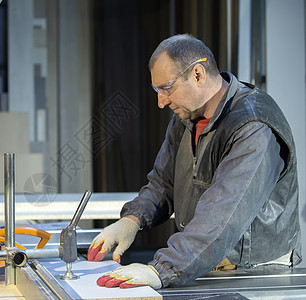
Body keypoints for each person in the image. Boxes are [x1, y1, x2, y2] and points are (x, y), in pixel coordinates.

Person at [87, 34, 302, 289]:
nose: (161, 102)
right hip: (201, 263)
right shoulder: (186, 118)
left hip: (255, 273)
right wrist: (131, 220)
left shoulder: (253, 126)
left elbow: (223, 215)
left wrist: (162, 269)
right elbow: (162, 184)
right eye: (157, 91)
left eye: (166, 88)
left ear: (198, 75)